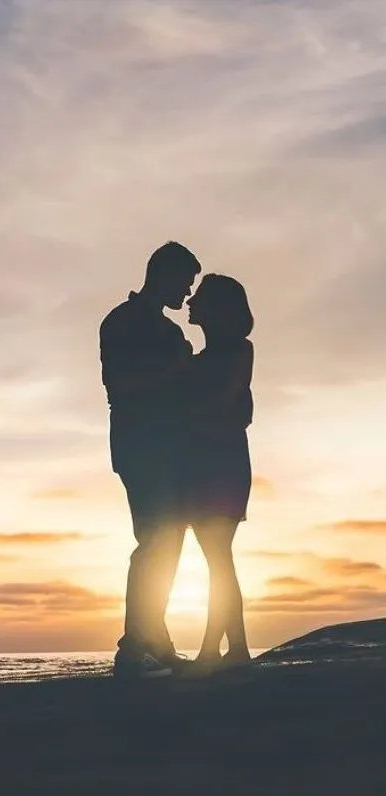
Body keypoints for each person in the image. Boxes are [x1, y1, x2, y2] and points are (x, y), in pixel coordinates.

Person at [100, 241, 201, 679]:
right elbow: (120, 384)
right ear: (162, 274)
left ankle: (155, 642)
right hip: (140, 447)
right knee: (155, 538)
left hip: (172, 449)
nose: (187, 292)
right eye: (185, 281)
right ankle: (134, 646)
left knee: (169, 541)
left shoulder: (169, 331)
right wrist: (176, 370)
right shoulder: (121, 322)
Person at [183, 273, 254, 677]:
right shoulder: (198, 360)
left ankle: (217, 648)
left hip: (221, 466)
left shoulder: (238, 351)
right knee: (218, 558)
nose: (190, 301)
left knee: (218, 557)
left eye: (200, 298)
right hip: (206, 464)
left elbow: (223, 403)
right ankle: (234, 647)